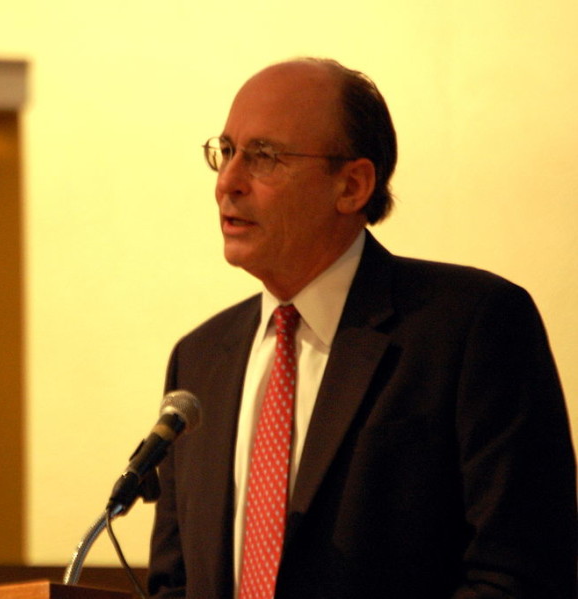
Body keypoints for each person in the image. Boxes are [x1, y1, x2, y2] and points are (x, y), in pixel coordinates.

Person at [147, 58, 577, 599]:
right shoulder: (200, 360)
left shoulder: (472, 328)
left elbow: (519, 576)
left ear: (352, 185)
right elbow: (174, 585)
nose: (228, 183)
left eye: (264, 157)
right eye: (227, 151)